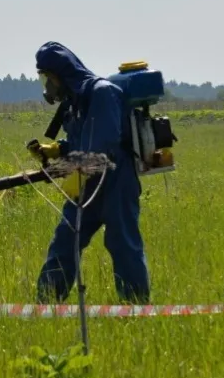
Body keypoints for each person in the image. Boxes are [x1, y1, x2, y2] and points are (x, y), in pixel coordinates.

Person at [27, 41, 151, 304]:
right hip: (85, 184)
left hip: (116, 182)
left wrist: (75, 173)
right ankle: (46, 304)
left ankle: (136, 308)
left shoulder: (102, 93)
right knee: (64, 243)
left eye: (48, 79)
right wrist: (57, 149)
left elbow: (104, 144)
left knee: (123, 245)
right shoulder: (76, 102)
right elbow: (80, 141)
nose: (47, 87)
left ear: (62, 75)